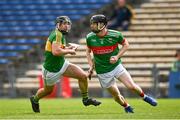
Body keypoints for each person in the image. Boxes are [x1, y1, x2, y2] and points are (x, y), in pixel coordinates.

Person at [86, 14, 157, 113]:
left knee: (131, 86)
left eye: (95, 24)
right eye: (92, 24)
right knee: (116, 95)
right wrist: (91, 67)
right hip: (102, 71)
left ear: (103, 25)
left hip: (116, 66)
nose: (92, 26)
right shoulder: (89, 37)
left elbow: (126, 44)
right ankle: (126, 106)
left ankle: (144, 97)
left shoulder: (115, 34)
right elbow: (88, 52)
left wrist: (117, 56)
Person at [30, 16, 101, 113]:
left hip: (62, 64)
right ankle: (35, 99)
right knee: (48, 91)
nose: (67, 26)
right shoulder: (57, 34)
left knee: (83, 76)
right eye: (64, 24)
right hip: (51, 69)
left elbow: (58, 48)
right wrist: (69, 51)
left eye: (68, 24)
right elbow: (55, 52)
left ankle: (86, 99)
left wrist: (68, 47)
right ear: (58, 25)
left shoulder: (60, 34)